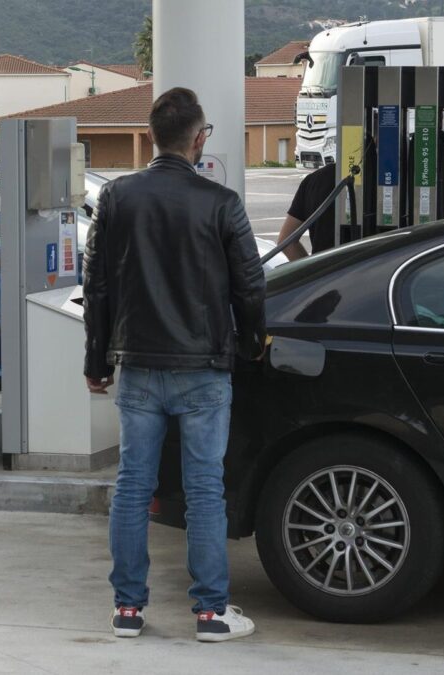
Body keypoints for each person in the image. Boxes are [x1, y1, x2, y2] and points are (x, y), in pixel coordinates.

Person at [83, 87, 266, 643]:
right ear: (199, 138)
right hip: (205, 367)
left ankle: (127, 611)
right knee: (205, 488)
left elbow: (96, 285)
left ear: (151, 137)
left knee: (133, 484)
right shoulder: (222, 202)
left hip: (137, 364)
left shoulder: (117, 197)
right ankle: (211, 614)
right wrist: (254, 342)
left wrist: (96, 358)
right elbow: (250, 286)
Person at [276, 161, 337, 260]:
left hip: (324, 271)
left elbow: (286, 241)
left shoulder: (315, 180)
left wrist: (313, 272)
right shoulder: (367, 180)